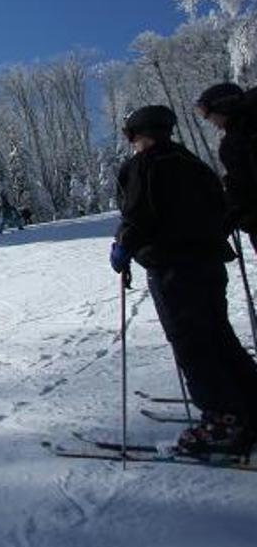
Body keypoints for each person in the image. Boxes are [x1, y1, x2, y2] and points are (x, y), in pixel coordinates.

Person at [112, 104, 257, 456]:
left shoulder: (143, 166)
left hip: (172, 267)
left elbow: (138, 214)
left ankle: (223, 420)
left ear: (136, 134)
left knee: (192, 343)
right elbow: (224, 208)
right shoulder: (193, 164)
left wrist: (123, 246)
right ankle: (251, 406)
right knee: (218, 334)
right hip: (208, 264)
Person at [195, 82, 257, 248]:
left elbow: (242, 187)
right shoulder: (244, 132)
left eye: (209, 114)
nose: (209, 121)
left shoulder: (237, 142)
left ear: (224, 107)